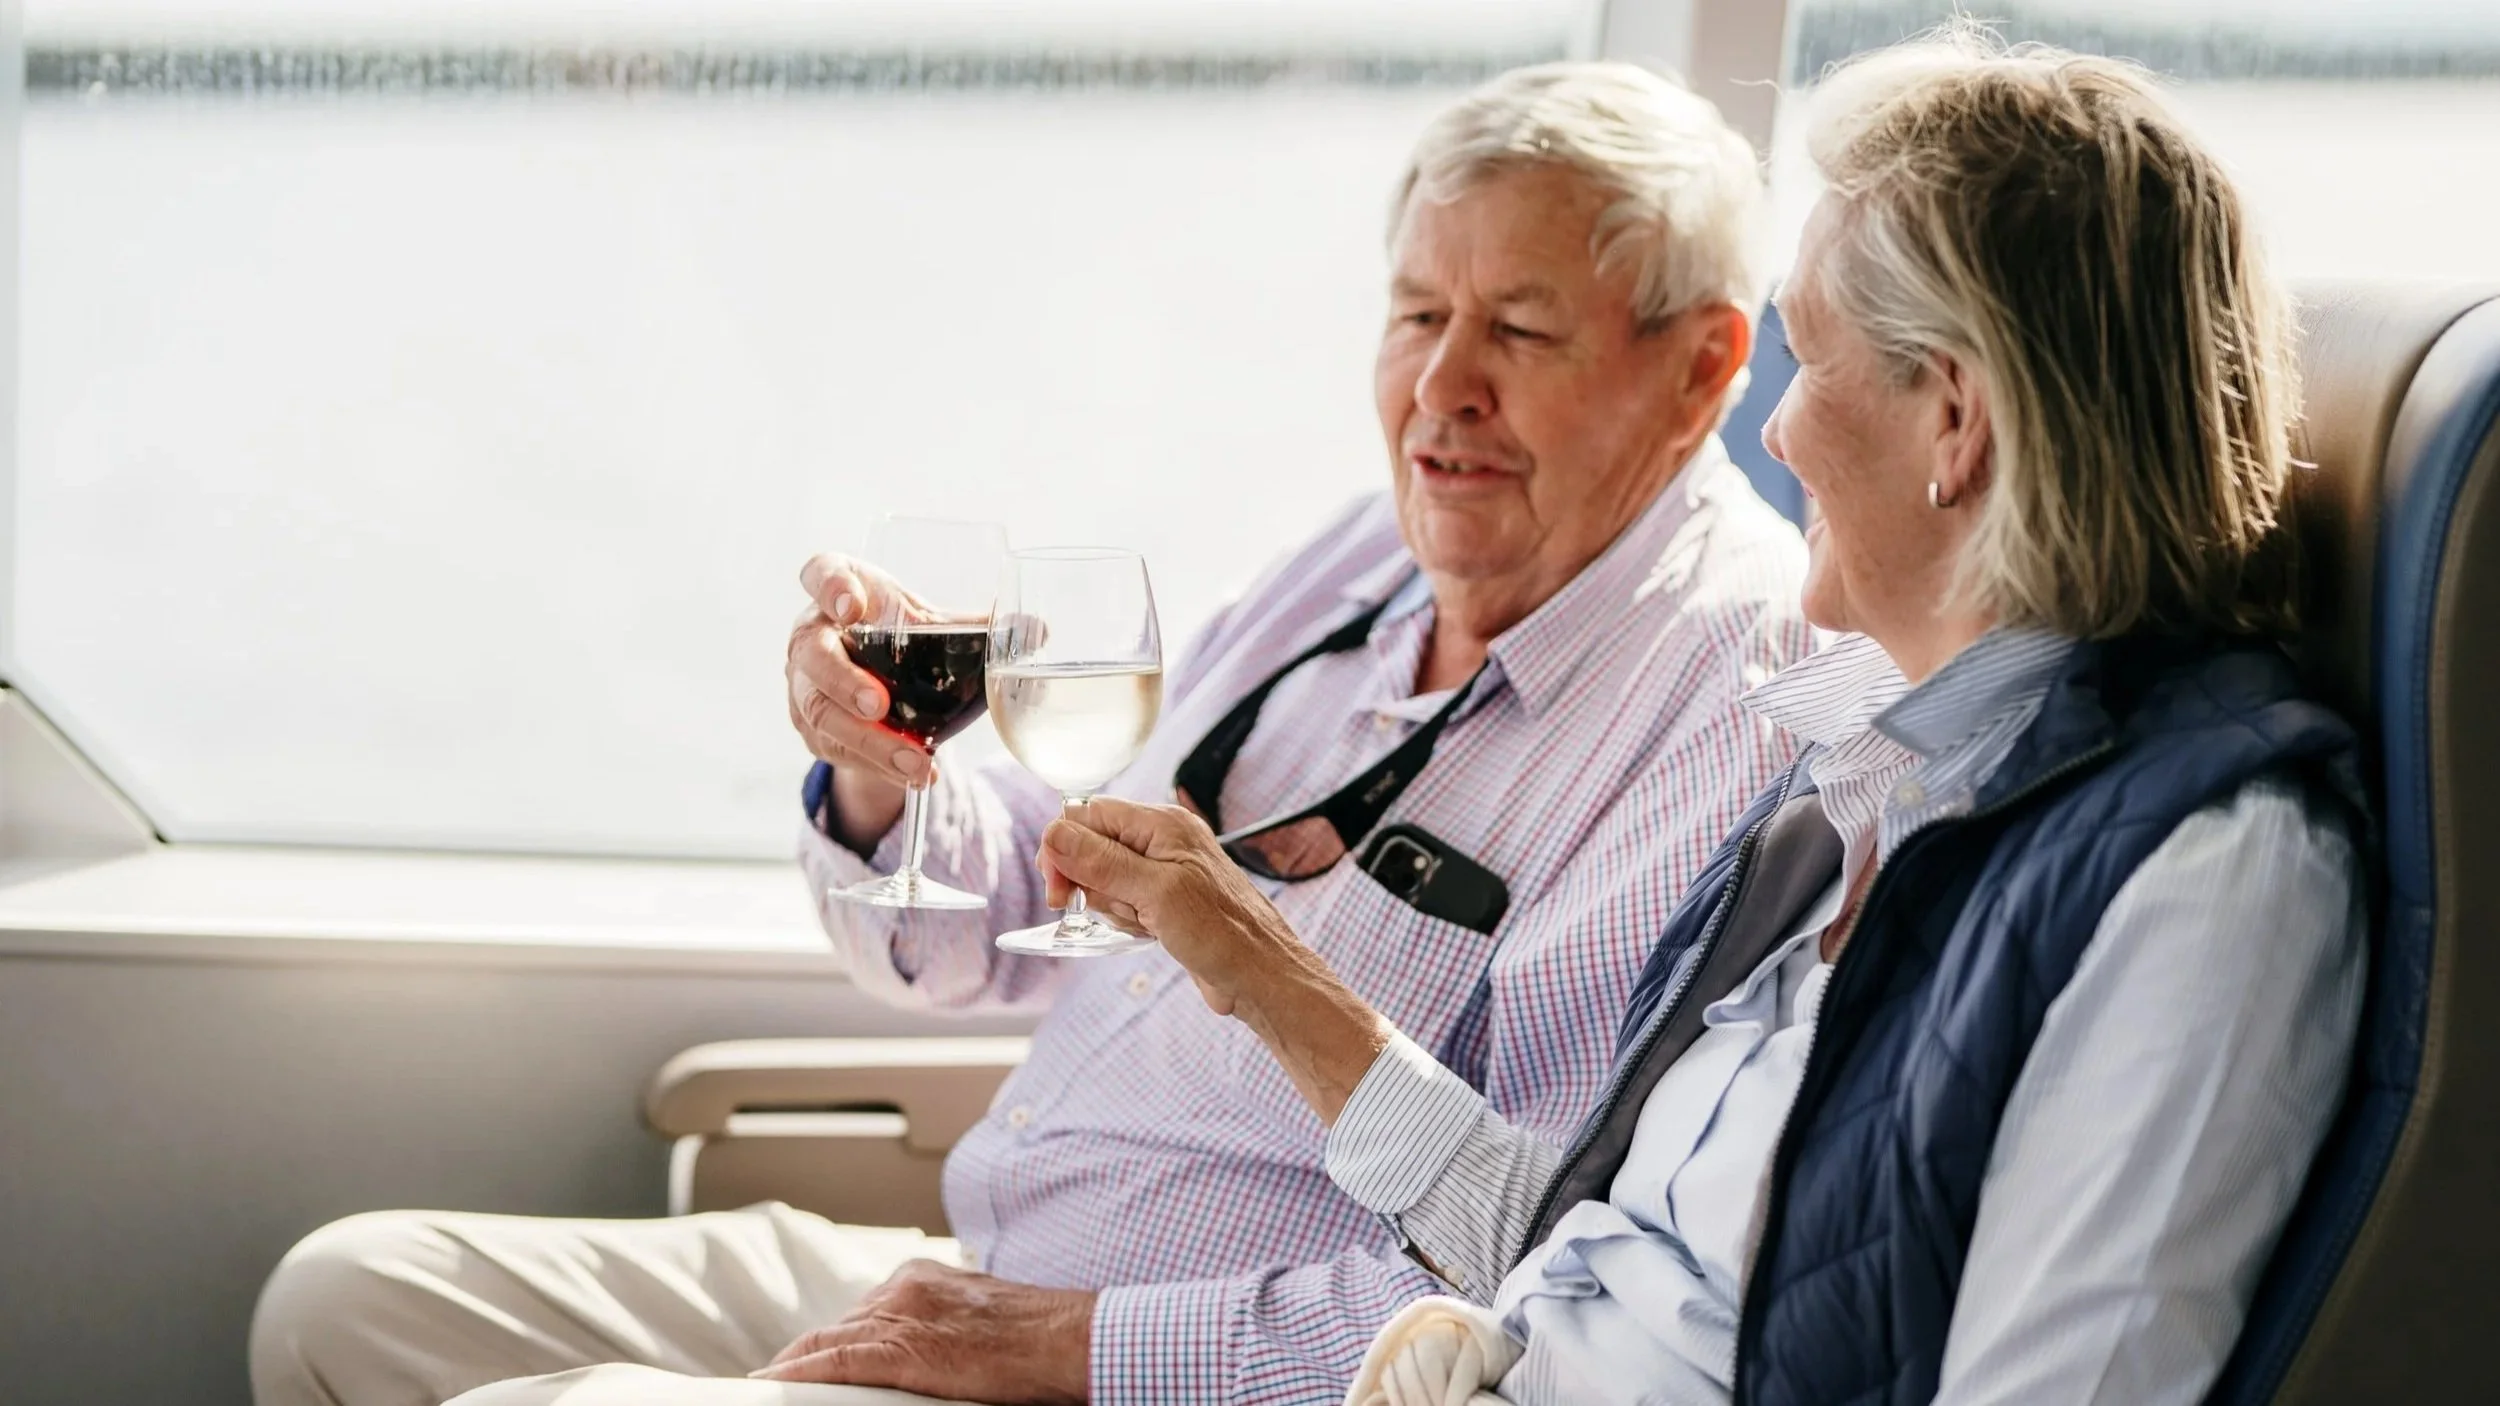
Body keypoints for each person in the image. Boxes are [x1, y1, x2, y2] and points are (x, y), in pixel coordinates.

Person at [249, 63, 1814, 1406]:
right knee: (344, 1298)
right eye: (1416, 312)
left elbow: (1528, 1278)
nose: (1440, 388)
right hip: (980, 1261)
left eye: (1522, 331)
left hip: (1132, 1360)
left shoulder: (1732, 697)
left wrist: (1074, 1343)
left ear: (1703, 367)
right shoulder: (1367, 552)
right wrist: (885, 774)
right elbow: (1021, 914)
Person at [1037, 30, 2368, 1406]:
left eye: (1810, 360)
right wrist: (1262, 971)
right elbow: (1572, 1259)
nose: (1774, 434)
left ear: (1954, 425)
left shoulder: (2206, 876)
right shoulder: (1863, 758)